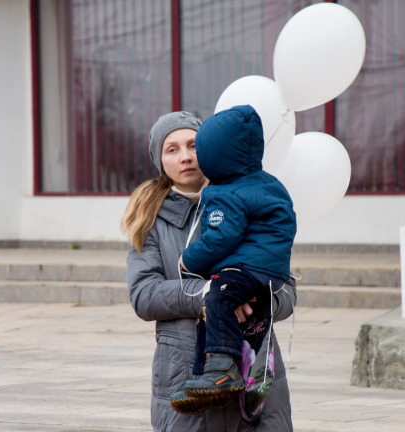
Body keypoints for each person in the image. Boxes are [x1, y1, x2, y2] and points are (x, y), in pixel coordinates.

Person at [123, 111, 296, 431]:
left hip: (256, 373)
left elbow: (286, 290)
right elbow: (144, 295)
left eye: (193, 145)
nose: (186, 157)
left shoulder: (253, 198)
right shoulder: (148, 221)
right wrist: (207, 294)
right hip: (184, 375)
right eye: (172, 149)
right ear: (160, 161)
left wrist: (253, 299)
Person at [177, 105, 296, 405]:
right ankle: (204, 379)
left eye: (198, 150)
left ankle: (222, 371)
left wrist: (188, 260)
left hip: (250, 267)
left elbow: (220, 237)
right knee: (211, 314)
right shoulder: (267, 183)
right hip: (269, 268)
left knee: (217, 297)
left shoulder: (227, 192)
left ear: (214, 156)